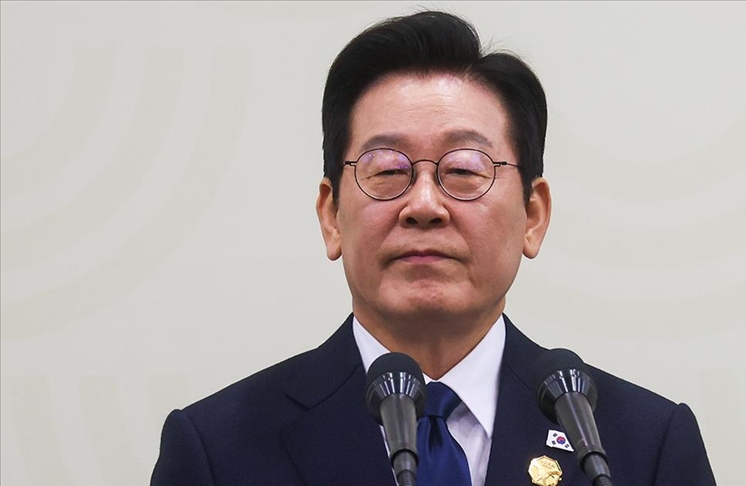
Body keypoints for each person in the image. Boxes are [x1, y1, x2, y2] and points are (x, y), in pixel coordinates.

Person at [151, 10, 715, 486]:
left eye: (465, 169)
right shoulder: (218, 451)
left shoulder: (642, 446)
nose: (424, 205)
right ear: (331, 216)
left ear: (533, 216)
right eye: (387, 169)